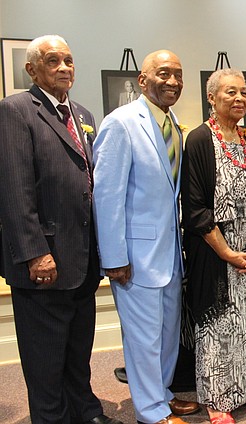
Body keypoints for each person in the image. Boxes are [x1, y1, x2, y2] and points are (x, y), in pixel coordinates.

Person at [0, 34, 121, 424]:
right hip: (45, 260)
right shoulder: (16, 110)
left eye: (69, 60)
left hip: (82, 259)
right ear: (32, 69)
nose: (65, 68)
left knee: (76, 348)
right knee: (45, 357)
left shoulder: (83, 115)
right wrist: (35, 252)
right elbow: (14, 189)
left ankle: (85, 411)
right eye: (53, 61)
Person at [93, 50, 199, 424]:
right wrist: (114, 257)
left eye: (179, 75)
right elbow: (106, 197)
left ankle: (163, 395)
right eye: (164, 73)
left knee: (167, 334)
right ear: (143, 79)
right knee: (143, 338)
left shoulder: (173, 126)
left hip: (169, 253)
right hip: (135, 257)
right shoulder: (120, 124)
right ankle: (151, 412)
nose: (173, 82)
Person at [182, 68, 246, 424]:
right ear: (212, 98)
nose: (239, 98)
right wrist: (227, 253)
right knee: (220, 325)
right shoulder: (200, 140)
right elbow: (195, 208)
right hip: (217, 252)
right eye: (230, 92)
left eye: (243, 92)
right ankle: (219, 398)